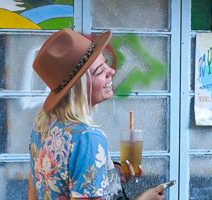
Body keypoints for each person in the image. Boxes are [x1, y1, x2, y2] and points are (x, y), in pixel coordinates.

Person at [28, 29, 164, 200]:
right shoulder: (88, 138)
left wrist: (111, 173)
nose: (112, 71)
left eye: (105, 63)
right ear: (79, 88)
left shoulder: (42, 127)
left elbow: (34, 192)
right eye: (99, 71)